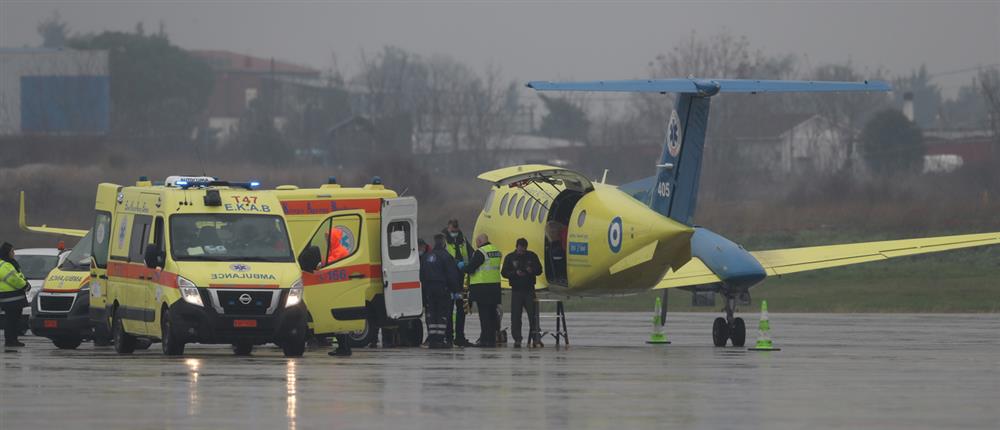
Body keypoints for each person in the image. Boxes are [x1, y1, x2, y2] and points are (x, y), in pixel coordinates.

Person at [461, 234, 502, 347]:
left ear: (479, 241)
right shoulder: (496, 251)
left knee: (484, 316)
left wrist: (462, 268)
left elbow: (471, 267)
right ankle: (492, 339)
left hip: (482, 288)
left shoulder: (481, 252)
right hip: (495, 287)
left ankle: (485, 340)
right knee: (492, 315)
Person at [501, 238, 543, 348]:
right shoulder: (510, 257)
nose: (522, 251)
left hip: (529, 290)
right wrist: (515, 273)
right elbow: (504, 272)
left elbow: (539, 270)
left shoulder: (531, 256)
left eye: (523, 249)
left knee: (533, 315)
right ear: (517, 247)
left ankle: (535, 338)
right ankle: (517, 339)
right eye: (520, 249)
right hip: (516, 290)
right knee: (515, 316)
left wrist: (531, 270)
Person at [421, 235, 461, 349]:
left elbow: (422, 275)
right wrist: (455, 290)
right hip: (442, 289)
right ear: (444, 243)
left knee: (432, 315)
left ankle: (432, 338)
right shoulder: (446, 256)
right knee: (442, 315)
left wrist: (425, 290)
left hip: (429, 289)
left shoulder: (427, 256)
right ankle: (439, 339)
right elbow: (452, 276)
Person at [442, 219, 473, 347]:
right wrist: (456, 262)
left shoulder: (463, 240)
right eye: (452, 230)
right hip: (449, 280)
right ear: (448, 228)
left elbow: (470, 254)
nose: (454, 232)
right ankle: (448, 336)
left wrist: (468, 265)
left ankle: (460, 337)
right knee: (448, 310)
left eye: (456, 230)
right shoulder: (444, 241)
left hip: (462, 280)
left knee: (462, 310)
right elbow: (443, 257)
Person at [0, 242, 28, 347]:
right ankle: (11, 341)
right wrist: (25, 285)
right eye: (12, 251)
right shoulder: (6, 264)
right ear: (7, 252)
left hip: (11, 297)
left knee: (12, 320)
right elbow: (13, 279)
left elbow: (18, 276)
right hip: (11, 297)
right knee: (12, 320)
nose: (14, 253)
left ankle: (12, 340)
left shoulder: (8, 263)